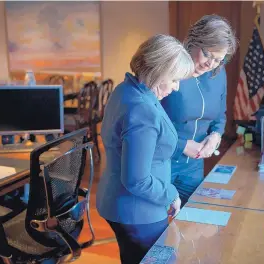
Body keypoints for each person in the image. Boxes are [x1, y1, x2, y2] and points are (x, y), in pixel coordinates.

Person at [96, 34, 195, 264]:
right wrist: (171, 193)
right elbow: (136, 180)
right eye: (174, 79)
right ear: (158, 71)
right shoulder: (142, 110)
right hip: (138, 211)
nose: (176, 87)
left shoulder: (125, 89)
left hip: (119, 203)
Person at [161, 14, 238, 206]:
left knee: (197, 224)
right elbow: (147, 125)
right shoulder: (169, 69)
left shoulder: (218, 73)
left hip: (193, 167)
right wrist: (182, 145)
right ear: (192, 42)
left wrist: (216, 136)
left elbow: (220, 116)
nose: (210, 64)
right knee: (160, 231)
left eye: (219, 59)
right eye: (207, 54)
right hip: (161, 164)